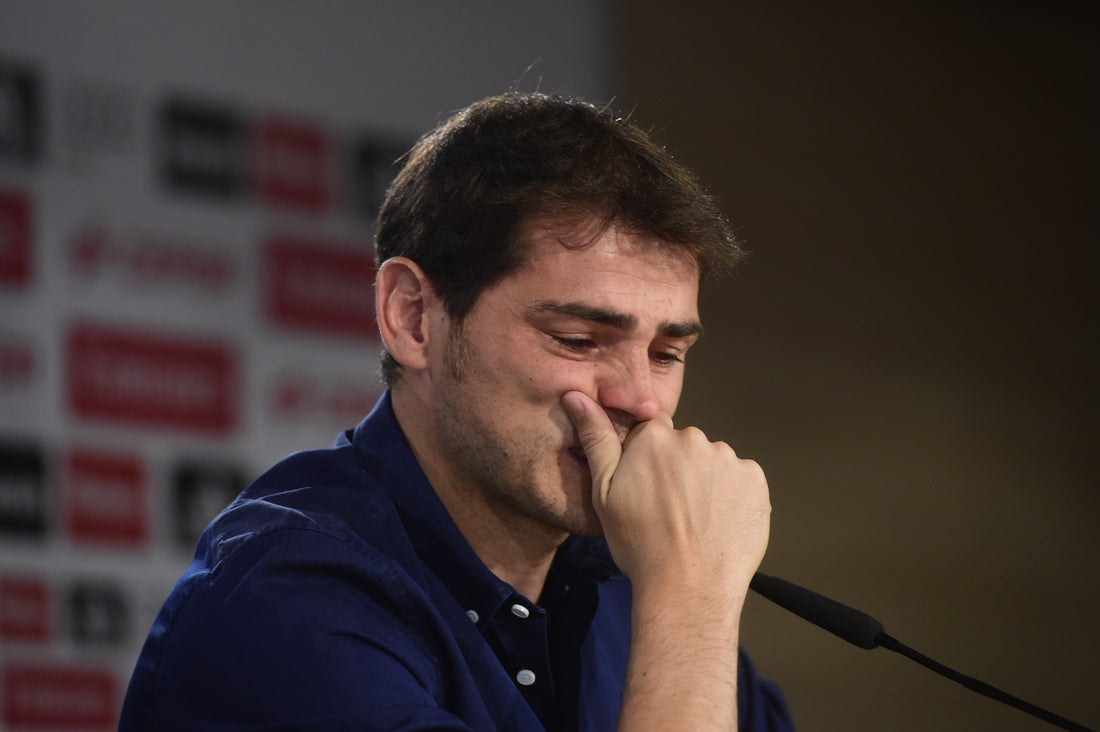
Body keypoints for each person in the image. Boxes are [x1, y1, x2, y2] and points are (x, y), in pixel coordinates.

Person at [119, 92, 794, 731]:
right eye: (577, 340)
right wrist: (689, 604)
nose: (642, 400)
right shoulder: (279, 603)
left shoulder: (632, 582)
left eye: (667, 353)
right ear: (413, 318)